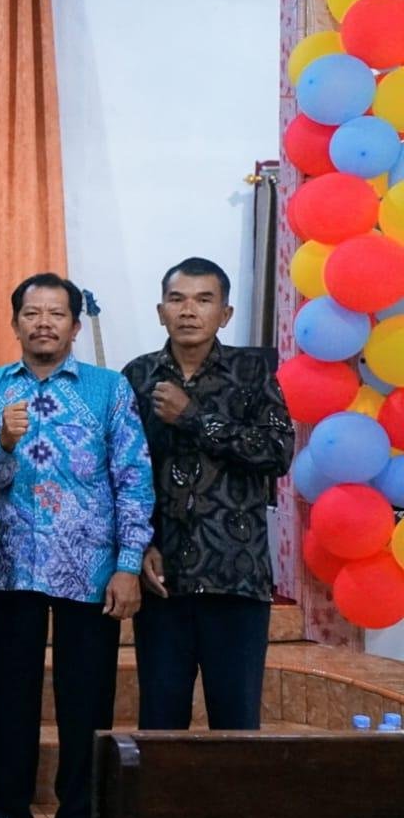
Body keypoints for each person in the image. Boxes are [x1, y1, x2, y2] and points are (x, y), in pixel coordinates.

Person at [0, 273, 153, 818]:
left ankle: (81, 817)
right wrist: (4, 441)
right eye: (32, 312)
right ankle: (6, 810)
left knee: (86, 700)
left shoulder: (109, 390)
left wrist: (127, 564)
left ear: (74, 324)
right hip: (10, 567)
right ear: (15, 321)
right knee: (9, 694)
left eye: (56, 313)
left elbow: (134, 477)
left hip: (90, 569)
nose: (43, 322)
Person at [122, 258, 293, 731]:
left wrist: (194, 416)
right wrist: (139, 548)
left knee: (236, 724)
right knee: (160, 724)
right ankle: (163, 811)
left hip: (235, 580)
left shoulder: (253, 373)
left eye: (203, 299)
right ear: (161, 312)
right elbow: (122, 474)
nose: (189, 311)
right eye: (177, 299)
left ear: (226, 312)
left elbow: (277, 453)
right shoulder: (137, 377)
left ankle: (234, 810)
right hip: (162, 580)